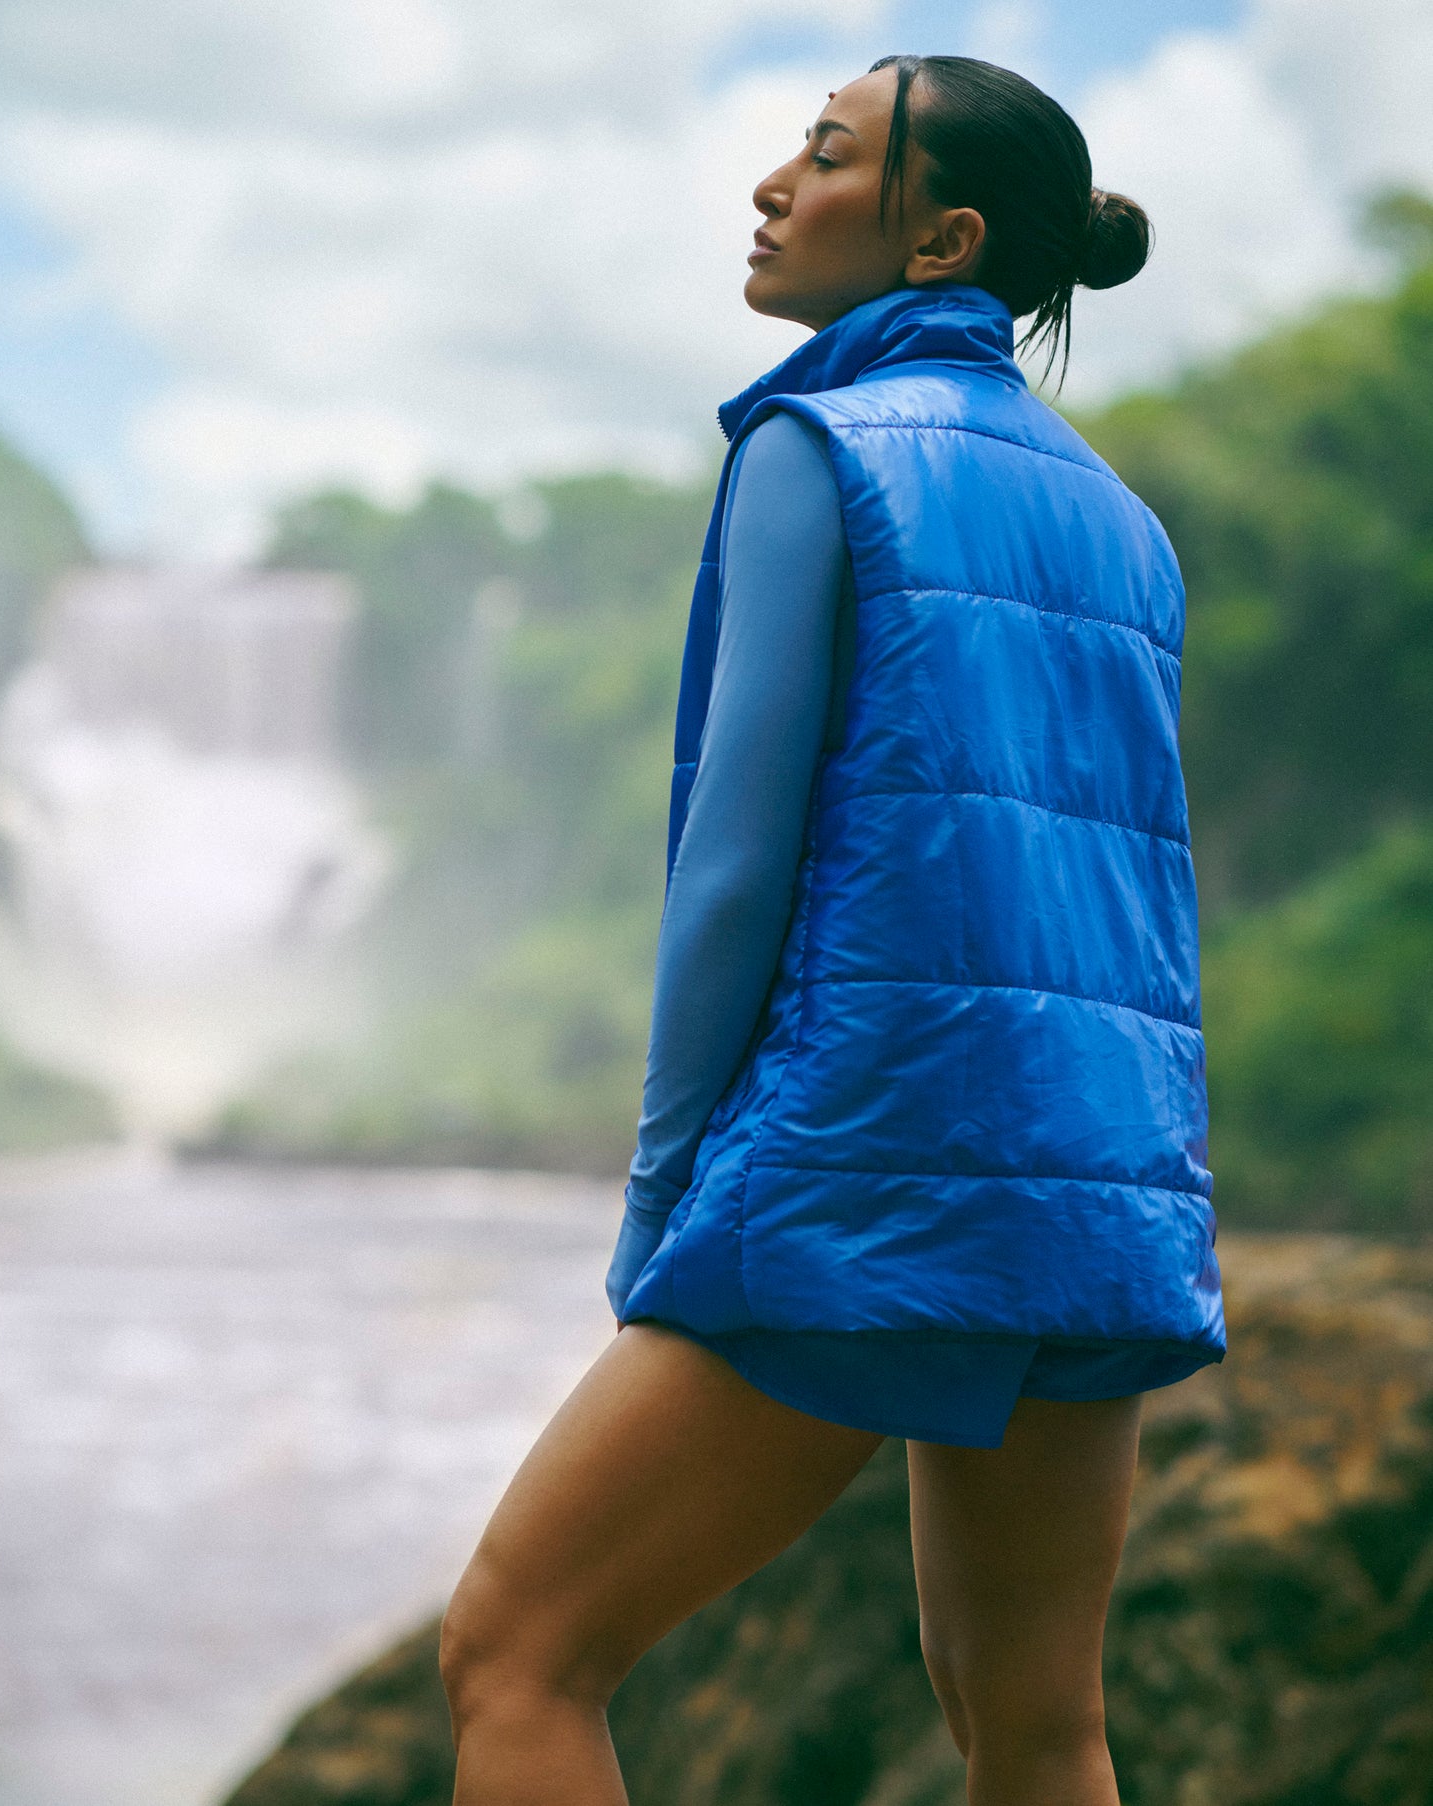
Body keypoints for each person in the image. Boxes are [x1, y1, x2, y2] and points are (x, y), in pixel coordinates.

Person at [438, 52, 1224, 1806]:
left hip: (864, 1162)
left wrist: (663, 1193)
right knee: (1036, 1721)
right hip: (1101, 1176)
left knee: (519, 1651)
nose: (771, 185)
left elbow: (734, 864)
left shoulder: (817, 448)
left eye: (823, 155)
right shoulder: (1124, 522)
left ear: (938, 240)